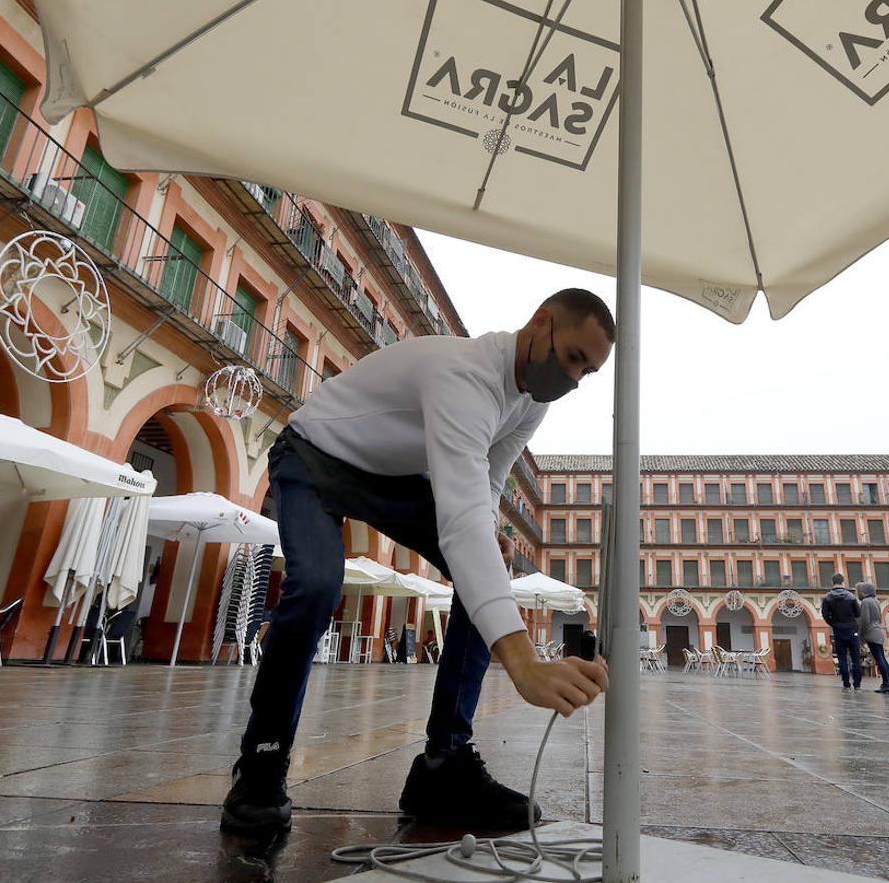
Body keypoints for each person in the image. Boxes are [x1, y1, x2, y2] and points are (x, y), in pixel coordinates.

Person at [222, 289, 614, 835]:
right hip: (313, 454)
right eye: (574, 357)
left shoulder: (533, 402)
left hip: (389, 477)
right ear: (541, 323)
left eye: (588, 372)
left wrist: (487, 540)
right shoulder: (465, 375)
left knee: (486, 570)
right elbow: (460, 520)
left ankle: (443, 765)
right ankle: (262, 762)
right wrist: (523, 662)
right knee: (314, 586)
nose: (574, 380)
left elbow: (486, 486)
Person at [821, 574, 862, 691]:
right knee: (855, 658)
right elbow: (858, 613)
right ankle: (857, 685)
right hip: (852, 629)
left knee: (842, 658)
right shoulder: (851, 596)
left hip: (838, 631)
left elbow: (825, 615)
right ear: (843, 581)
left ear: (832, 582)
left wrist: (833, 623)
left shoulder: (827, 598)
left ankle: (846, 684)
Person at [856, 582, 889, 695]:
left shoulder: (866, 602)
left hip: (871, 632)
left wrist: (861, 635)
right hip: (878, 631)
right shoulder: (876, 601)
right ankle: (888, 684)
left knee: (879, 659)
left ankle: (886, 685)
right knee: (882, 658)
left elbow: (865, 620)